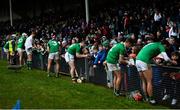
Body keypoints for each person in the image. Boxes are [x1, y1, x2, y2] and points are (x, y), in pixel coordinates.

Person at [135, 40, 174, 104]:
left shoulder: (153, 44)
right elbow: (166, 58)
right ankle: (151, 100)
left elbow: (150, 57)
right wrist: (173, 62)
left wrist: (157, 64)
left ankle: (146, 98)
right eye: (166, 47)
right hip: (144, 61)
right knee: (149, 81)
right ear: (165, 45)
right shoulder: (161, 46)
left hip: (137, 60)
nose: (165, 49)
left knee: (143, 81)